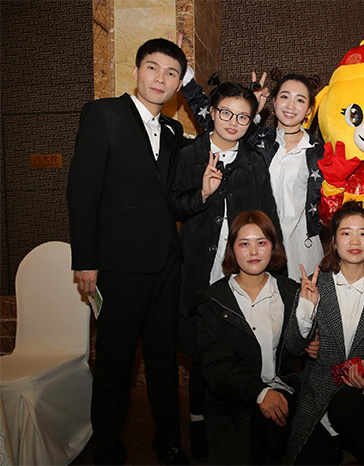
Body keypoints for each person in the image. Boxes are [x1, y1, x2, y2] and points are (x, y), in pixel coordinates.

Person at [66, 38, 188, 464]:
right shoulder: (103, 114)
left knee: (163, 361)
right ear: (135, 71)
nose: (160, 78)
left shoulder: (173, 131)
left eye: (171, 73)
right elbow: (82, 191)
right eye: (152, 68)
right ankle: (107, 446)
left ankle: (168, 440)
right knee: (114, 365)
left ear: (178, 84)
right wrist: (86, 260)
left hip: (165, 264)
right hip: (117, 266)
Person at [171, 79, 280, 458]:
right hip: (199, 272)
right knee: (203, 353)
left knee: (242, 349)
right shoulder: (189, 155)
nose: (233, 123)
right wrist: (202, 194)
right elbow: (172, 205)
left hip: (242, 276)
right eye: (226, 114)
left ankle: (240, 424)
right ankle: (199, 425)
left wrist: (274, 272)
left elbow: (268, 218)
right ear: (212, 113)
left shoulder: (253, 162)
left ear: (252, 121)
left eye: (243, 117)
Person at [284, 202, 364, 465]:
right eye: (346, 232)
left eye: (363, 233)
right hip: (318, 394)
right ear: (333, 241)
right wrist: (307, 307)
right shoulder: (315, 285)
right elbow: (294, 346)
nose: (355, 241)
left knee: (348, 406)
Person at [181, 67, 324, 282]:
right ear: (273, 102)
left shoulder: (321, 152)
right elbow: (218, 121)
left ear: (309, 110)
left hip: (302, 246)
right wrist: (188, 83)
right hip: (255, 244)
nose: (291, 106)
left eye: (300, 100)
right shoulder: (256, 140)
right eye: (284, 97)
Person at [195, 211, 300, 465]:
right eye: (244, 243)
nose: (253, 251)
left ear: (273, 246)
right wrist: (259, 392)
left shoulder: (290, 292)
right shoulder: (213, 301)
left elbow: (301, 348)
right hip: (230, 402)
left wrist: (311, 333)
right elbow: (215, 366)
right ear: (232, 249)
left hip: (281, 390)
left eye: (261, 242)